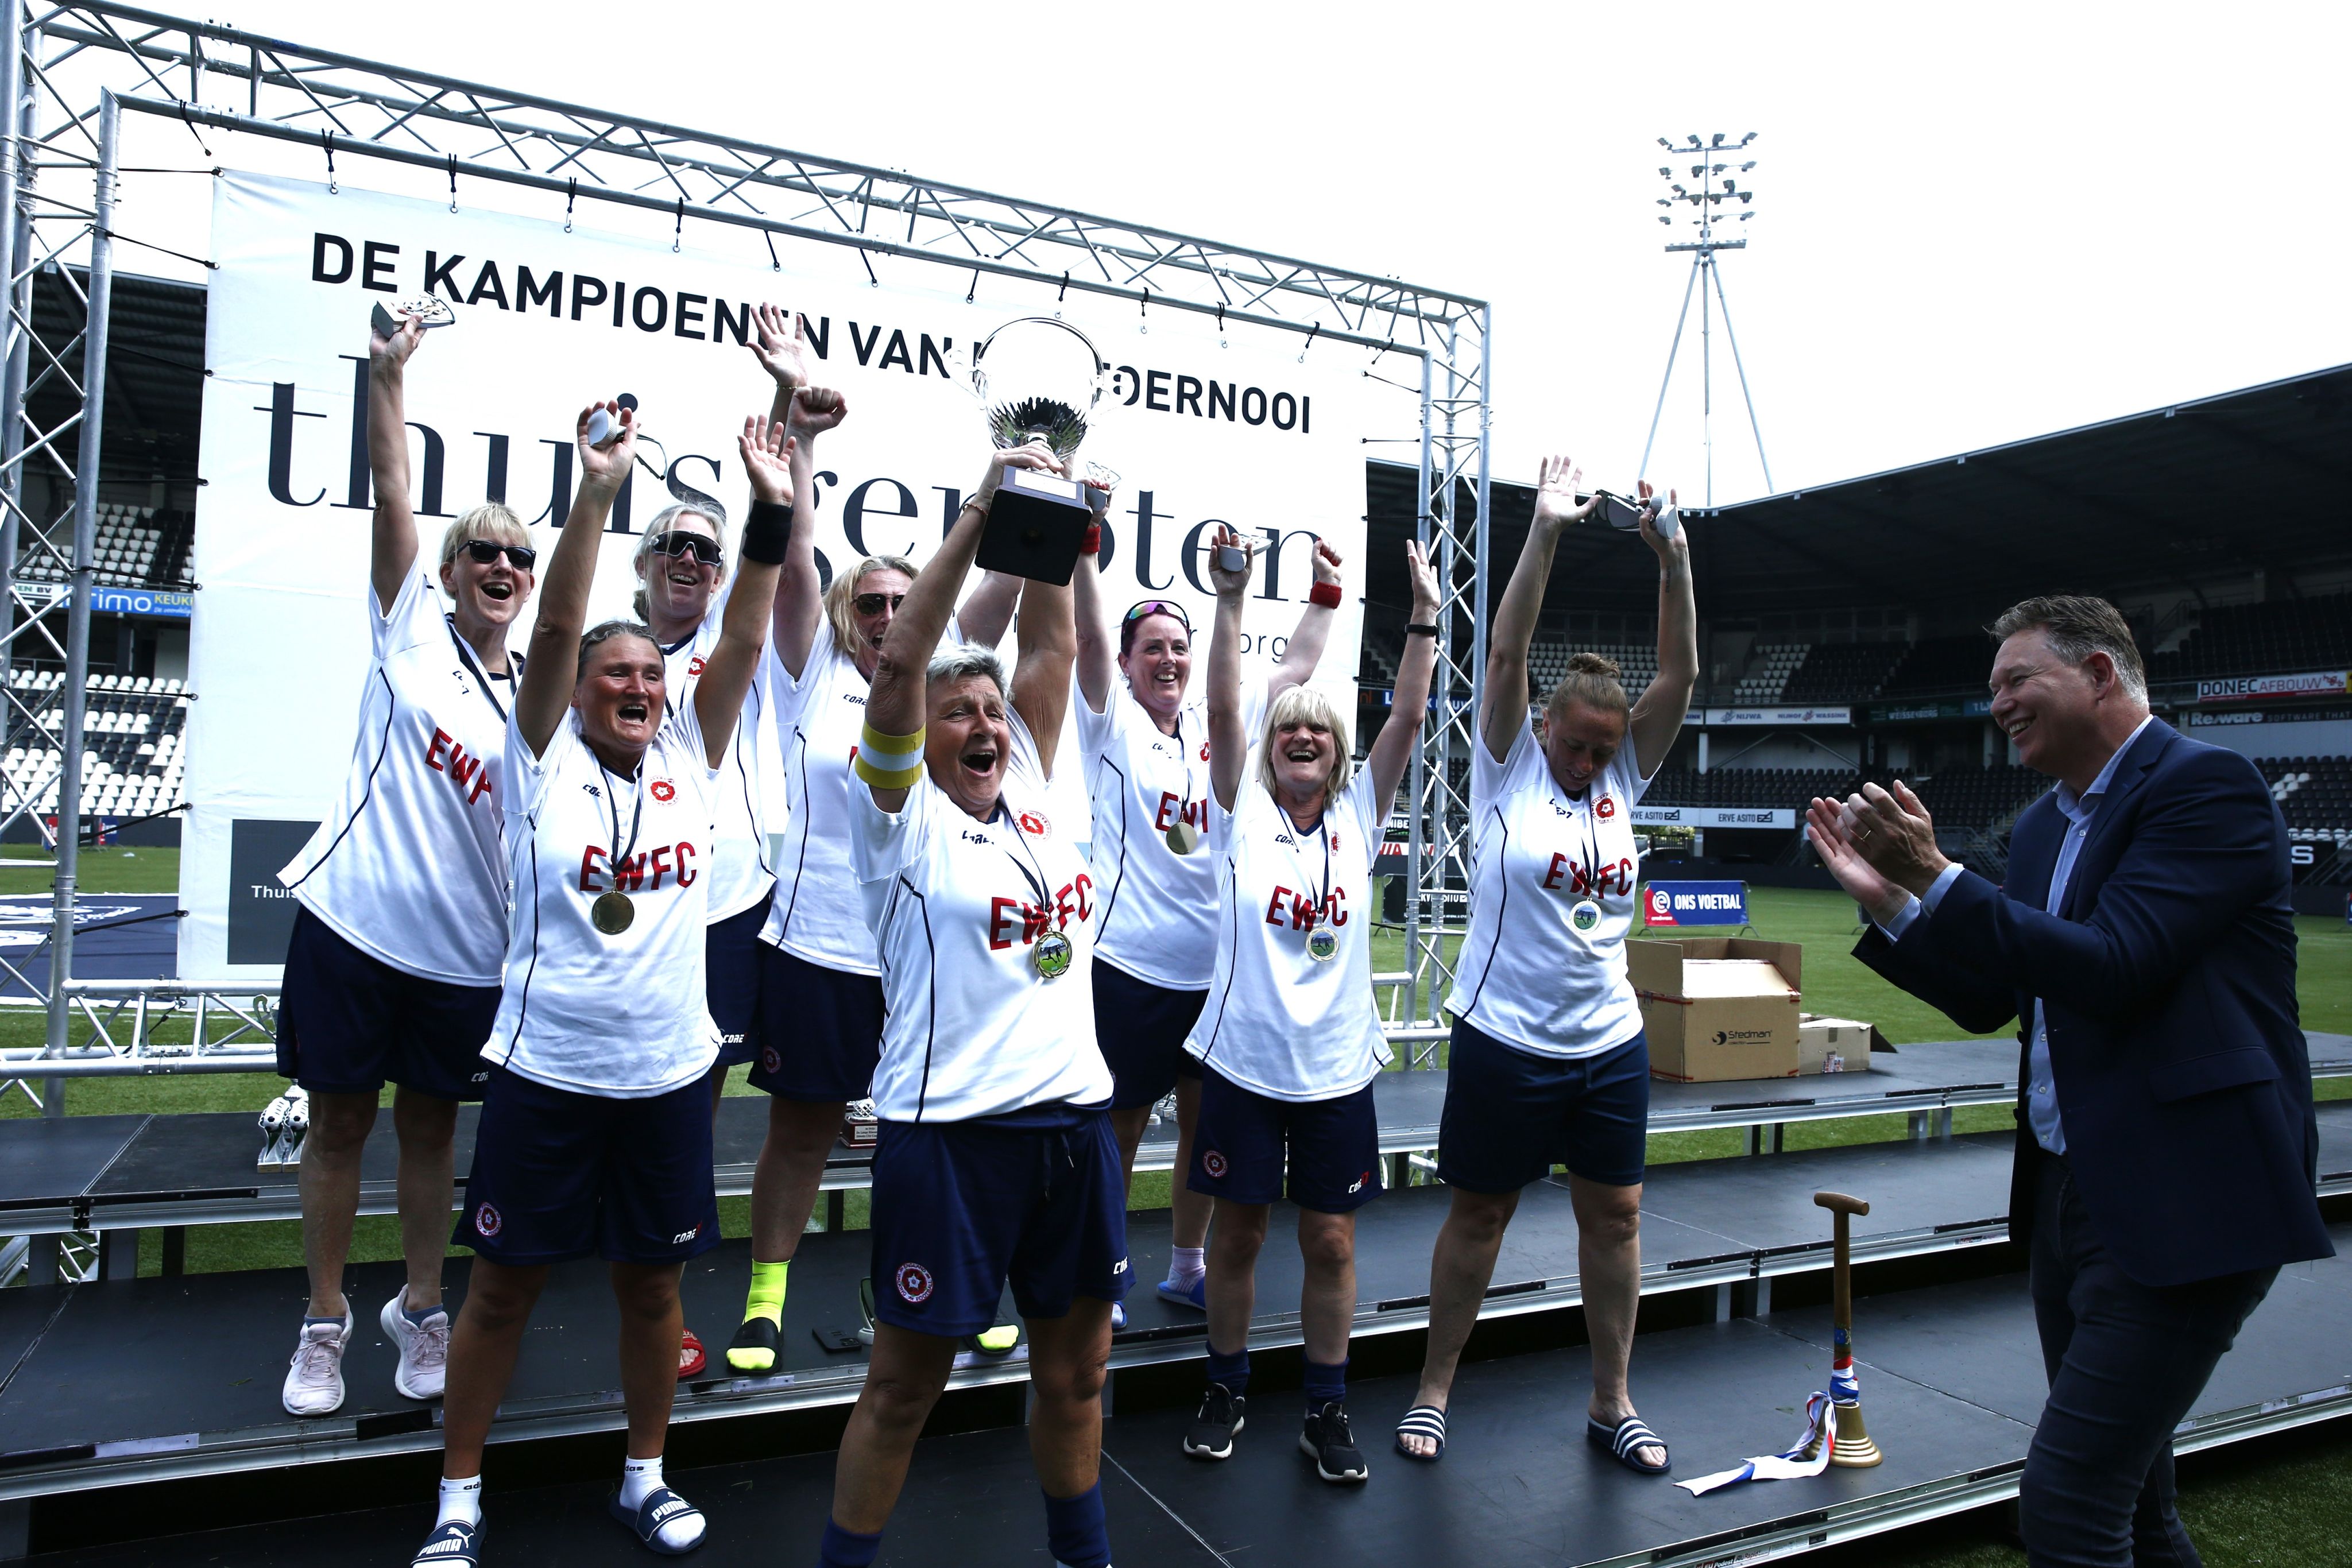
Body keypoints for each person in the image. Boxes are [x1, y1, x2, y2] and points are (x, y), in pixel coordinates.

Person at [1806, 595, 2330, 1568]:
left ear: (2098, 674)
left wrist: (1942, 874)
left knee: (2067, 1504)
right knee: (2132, 1508)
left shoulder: (2207, 788)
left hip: (2187, 1196)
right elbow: (1998, 999)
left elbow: (2115, 962)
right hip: (2068, 1192)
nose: (1997, 703)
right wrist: (1896, 903)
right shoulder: (2047, 827)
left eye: (2017, 680)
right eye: (1993, 686)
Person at [405, 404, 794, 1567]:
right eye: (613, 674)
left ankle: (644, 1476)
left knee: (649, 1293)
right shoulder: (537, 759)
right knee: (500, 1297)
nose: (636, 684)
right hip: (548, 1075)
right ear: (571, 690)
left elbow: (749, 621)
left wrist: (772, 504)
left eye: (648, 674)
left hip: (669, 1076)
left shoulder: (690, 750)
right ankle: (460, 1497)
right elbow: (566, 610)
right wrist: (594, 491)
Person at [814, 443, 1124, 1568]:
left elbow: (1055, 638)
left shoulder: (1040, 795)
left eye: (992, 709)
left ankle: (1079, 1557)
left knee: (1076, 1373)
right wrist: (989, 509)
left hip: (1071, 1133)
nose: (982, 724)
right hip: (948, 1140)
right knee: (903, 1388)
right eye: (958, 714)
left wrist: (1057, 513)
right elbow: (900, 664)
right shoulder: (896, 817)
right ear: (921, 734)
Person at [723, 304, 1020, 1375]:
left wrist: (1030, 477)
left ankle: (953, 1284)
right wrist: (797, 412)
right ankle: (764, 1301)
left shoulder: (945, 688)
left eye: (906, 600)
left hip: (924, 945)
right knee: (800, 1136)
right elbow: (789, 542)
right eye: (873, 600)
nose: (891, 613)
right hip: (820, 947)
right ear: (845, 612)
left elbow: (997, 575)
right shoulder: (808, 673)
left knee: (933, 1133)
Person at [1396, 455, 1693, 1472]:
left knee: (1616, 1220)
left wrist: (1676, 559)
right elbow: (1510, 645)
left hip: (1606, 1042)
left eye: (1605, 749)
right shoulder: (1507, 763)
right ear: (1548, 730)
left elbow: (1680, 676)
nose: (1590, 760)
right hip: (1507, 1037)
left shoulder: (1623, 781)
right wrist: (1547, 531)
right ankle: (1435, 1388)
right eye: (1577, 744)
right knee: (1481, 1213)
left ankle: (1613, 1403)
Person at [272, 308, 536, 1417]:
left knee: (432, 1135)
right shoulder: (409, 629)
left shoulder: (539, 691)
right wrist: (387, 379)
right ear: (453, 565)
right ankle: (323, 1322)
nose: (504, 566)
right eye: (484, 550)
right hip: (354, 925)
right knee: (337, 1126)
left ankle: (421, 1309)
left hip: (462, 957)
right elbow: (390, 487)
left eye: (520, 556)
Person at [1175, 526, 1441, 1484]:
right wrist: (1234, 598)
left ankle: (1327, 1405)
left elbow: (1407, 718)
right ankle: (1226, 1384)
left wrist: (1422, 617)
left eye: (1319, 732)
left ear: (1335, 756)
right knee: (1238, 1234)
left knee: (1330, 1241)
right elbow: (1221, 701)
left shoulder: (1362, 817)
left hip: (1335, 1073)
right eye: (1290, 727)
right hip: (1242, 1066)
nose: (1301, 737)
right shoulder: (1237, 811)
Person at [1066, 507, 1343, 1324]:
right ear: (1125, 662)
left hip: (1218, 971)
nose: (1170, 659)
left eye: (1179, 648)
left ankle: (1186, 1266)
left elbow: (1295, 666)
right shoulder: (1105, 719)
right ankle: (1102, 1271)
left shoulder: (1217, 722)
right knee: (1112, 1134)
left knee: (1200, 1131)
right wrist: (1087, 546)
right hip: (1130, 965)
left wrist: (1326, 591)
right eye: (1152, 648)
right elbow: (1081, 640)